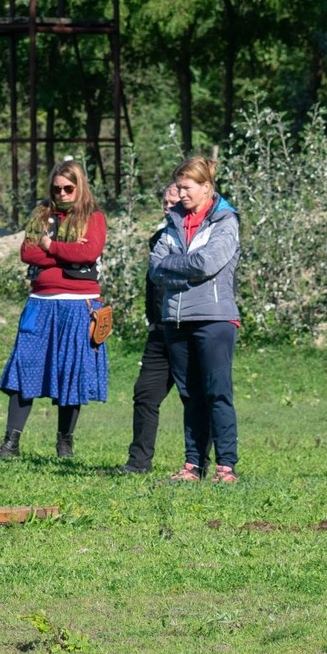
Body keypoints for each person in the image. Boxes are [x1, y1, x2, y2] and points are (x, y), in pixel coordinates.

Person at [0, 158, 108, 460]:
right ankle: (10, 442)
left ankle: (64, 442)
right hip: (41, 303)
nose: (62, 194)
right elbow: (26, 252)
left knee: (71, 372)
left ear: (79, 187)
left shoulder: (93, 217)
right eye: (57, 189)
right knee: (24, 366)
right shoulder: (41, 214)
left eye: (68, 188)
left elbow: (89, 251)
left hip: (78, 305)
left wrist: (51, 246)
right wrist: (67, 254)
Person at [149, 159, 242, 482]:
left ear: (206, 187)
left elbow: (208, 263)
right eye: (179, 187)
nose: (181, 194)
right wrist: (183, 271)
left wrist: (177, 267)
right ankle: (193, 464)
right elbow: (155, 269)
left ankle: (226, 465)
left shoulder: (225, 221)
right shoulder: (173, 223)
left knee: (217, 393)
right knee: (190, 396)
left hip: (215, 320)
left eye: (187, 188)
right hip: (175, 319)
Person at [119, 182, 183, 474]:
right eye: (165, 202)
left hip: (190, 329)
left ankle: (200, 463)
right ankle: (138, 462)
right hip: (160, 331)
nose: (168, 206)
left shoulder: (200, 238)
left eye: (175, 201)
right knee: (145, 393)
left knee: (195, 397)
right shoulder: (158, 239)